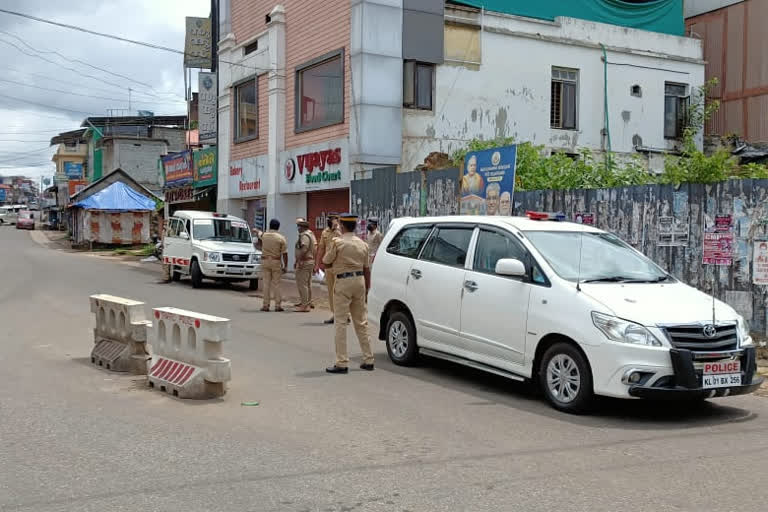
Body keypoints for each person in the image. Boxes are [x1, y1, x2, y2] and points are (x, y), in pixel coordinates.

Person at [323, 213, 374, 374]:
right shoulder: (363, 244)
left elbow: (326, 260)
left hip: (343, 282)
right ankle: (368, 359)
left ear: (342, 225)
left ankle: (342, 362)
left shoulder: (337, 242)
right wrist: (367, 288)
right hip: (359, 282)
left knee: (340, 322)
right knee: (361, 322)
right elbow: (367, 269)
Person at [315, 213, 342, 324]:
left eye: (333, 219)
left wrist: (337, 230)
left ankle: (344, 314)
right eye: (329, 219)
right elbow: (321, 248)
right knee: (331, 292)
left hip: (339, 266)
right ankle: (335, 314)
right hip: (328, 266)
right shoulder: (325, 232)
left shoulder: (341, 231)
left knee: (340, 291)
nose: (331, 221)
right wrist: (317, 264)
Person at [260, 218, 288, 312]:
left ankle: (265, 305)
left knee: (266, 284)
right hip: (276, 261)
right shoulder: (281, 238)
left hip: (265, 261)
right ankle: (277, 305)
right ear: (278, 227)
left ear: (269, 225)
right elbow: (284, 253)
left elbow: (259, 236)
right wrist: (285, 265)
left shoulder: (264, 236)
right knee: (277, 284)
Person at [293, 217, 315, 312]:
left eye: (299, 226)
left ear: (302, 227)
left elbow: (304, 249)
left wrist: (299, 260)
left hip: (305, 261)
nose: (298, 228)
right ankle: (307, 302)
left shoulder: (305, 236)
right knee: (307, 284)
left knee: (302, 284)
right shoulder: (309, 234)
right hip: (308, 261)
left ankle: (305, 306)